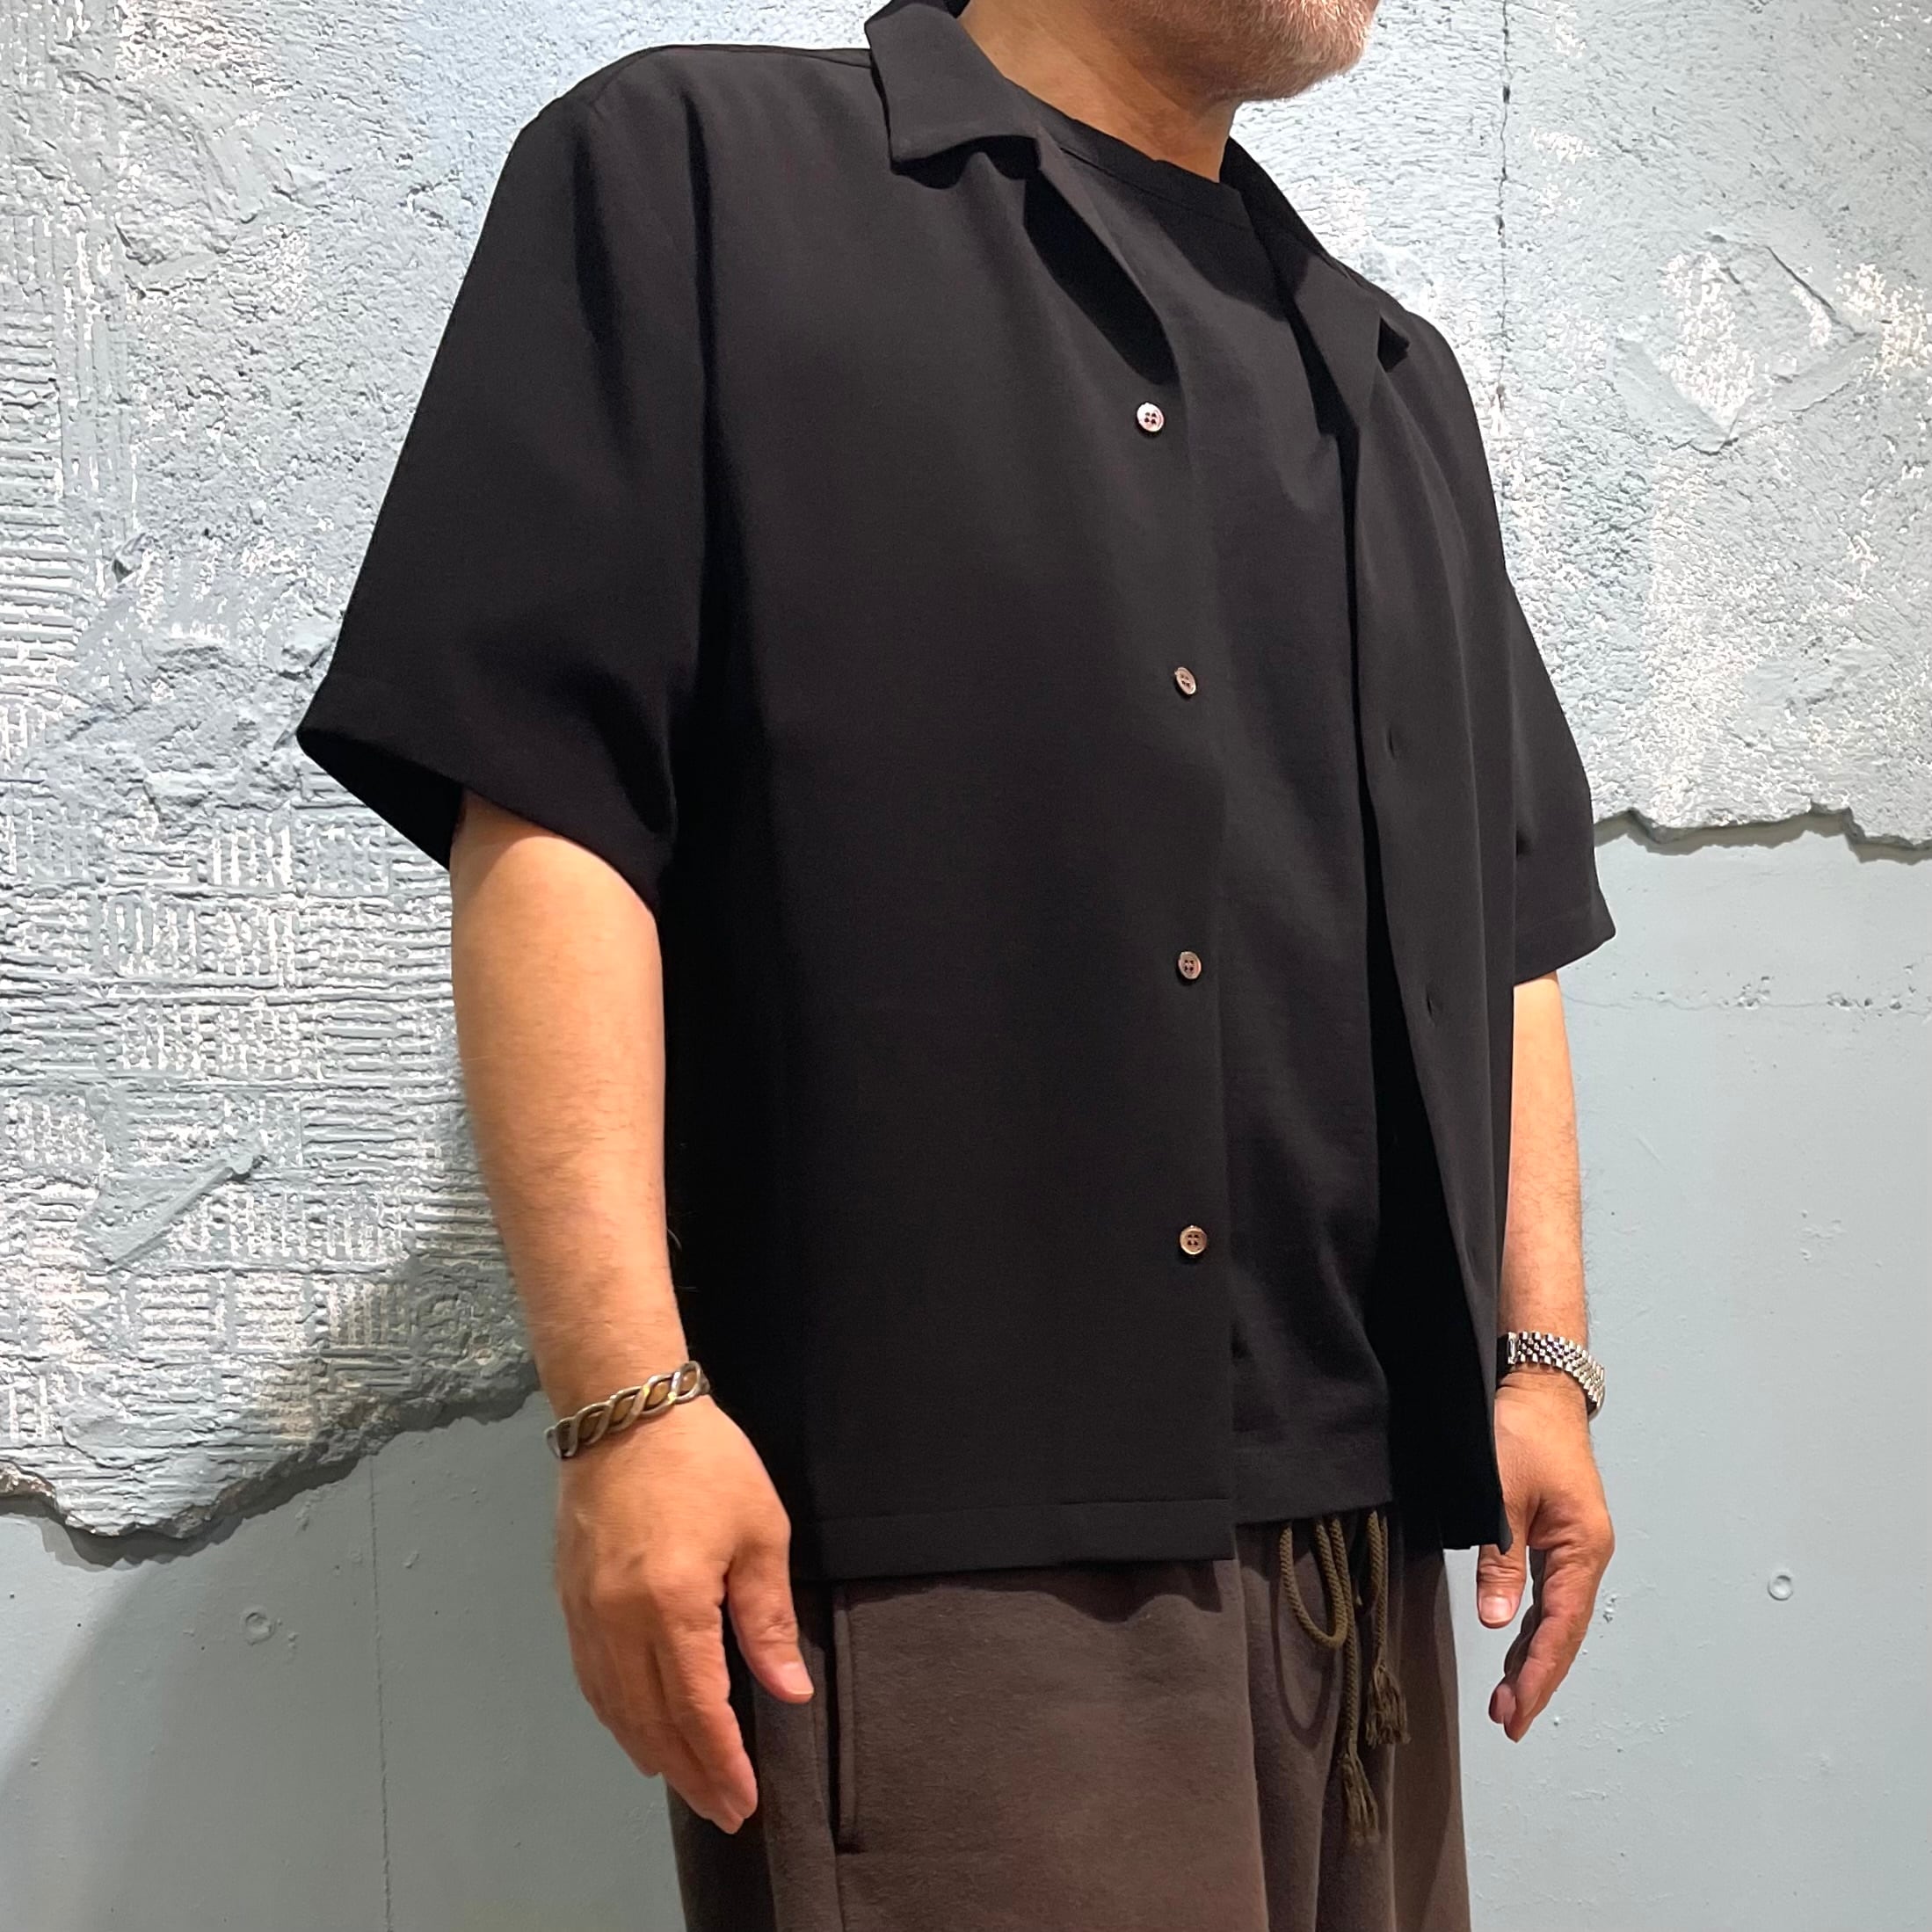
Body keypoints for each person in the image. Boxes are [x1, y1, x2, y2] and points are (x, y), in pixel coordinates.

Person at [294, 0, 1618, 1924]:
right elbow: (553, 810)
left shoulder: (1387, 377)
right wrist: (624, 1402)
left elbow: (1505, 918)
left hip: (1369, 1564)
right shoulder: (699, 181)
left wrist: (1541, 1359)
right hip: (952, 1570)